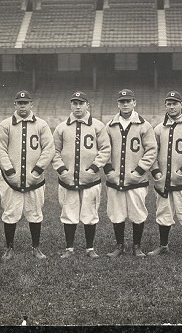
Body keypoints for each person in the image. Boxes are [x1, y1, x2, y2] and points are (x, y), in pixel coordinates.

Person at [0, 91, 55, 260]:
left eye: (25, 103)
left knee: (35, 213)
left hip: (35, 180)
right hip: (10, 179)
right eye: (19, 103)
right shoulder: (5, 125)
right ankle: (9, 248)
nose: (22, 106)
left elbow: (49, 149)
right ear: (15, 105)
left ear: (31, 105)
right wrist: (10, 172)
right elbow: (0, 150)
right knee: (10, 213)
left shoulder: (41, 125)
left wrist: (37, 171)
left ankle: (36, 247)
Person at [50, 92, 110, 259]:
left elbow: (105, 150)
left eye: (81, 103)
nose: (77, 107)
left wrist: (94, 168)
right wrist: (61, 169)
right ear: (70, 105)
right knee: (69, 213)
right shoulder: (62, 127)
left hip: (90, 179)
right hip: (68, 178)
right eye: (74, 103)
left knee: (90, 213)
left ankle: (90, 248)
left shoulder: (98, 126)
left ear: (87, 105)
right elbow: (54, 151)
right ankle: (69, 248)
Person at [146, 91, 182, 258]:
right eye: (168, 104)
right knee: (163, 213)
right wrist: (156, 172)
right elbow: (152, 152)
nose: (171, 107)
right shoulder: (158, 128)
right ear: (165, 106)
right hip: (164, 181)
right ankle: (163, 245)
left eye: (175, 103)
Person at [102, 89, 156, 258]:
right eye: (122, 102)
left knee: (137, 212)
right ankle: (119, 245)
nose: (125, 104)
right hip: (115, 178)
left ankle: (137, 246)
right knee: (116, 213)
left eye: (128, 101)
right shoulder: (110, 126)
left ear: (134, 102)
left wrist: (138, 171)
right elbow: (104, 150)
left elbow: (151, 151)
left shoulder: (144, 125)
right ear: (118, 104)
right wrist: (109, 171)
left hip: (137, 179)